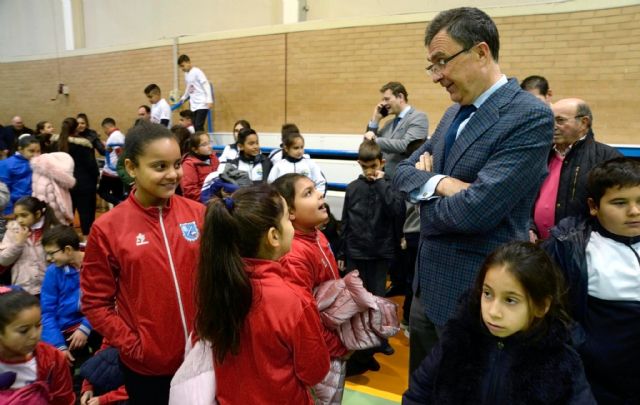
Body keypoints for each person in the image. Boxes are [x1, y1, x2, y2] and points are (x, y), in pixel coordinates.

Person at [392, 7, 554, 376]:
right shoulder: (452, 114)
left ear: (481, 52)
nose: (436, 76)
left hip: (476, 296)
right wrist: (444, 183)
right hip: (425, 290)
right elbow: (400, 173)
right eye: (431, 65)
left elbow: (476, 211)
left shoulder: (528, 115)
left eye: (441, 61)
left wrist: (425, 197)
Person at [81, 121, 205, 404]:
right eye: (159, 166)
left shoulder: (199, 215)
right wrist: (135, 345)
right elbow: (95, 303)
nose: (173, 174)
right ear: (132, 167)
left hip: (201, 359)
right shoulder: (108, 228)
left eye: (176, 164)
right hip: (148, 369)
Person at [403, 242, 596, 404]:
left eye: (510, 300)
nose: (493, 312)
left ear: (541, 306)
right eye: (487, 294)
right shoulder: (458, 340)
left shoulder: (561, 362)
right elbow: (417, 394)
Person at [193, 184, 330, 404]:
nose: (291, 224)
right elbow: (314, 371)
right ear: (274, 236)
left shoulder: (215, 283)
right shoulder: (293, 300)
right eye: (287, 219)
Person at [542, 157, 640, 404]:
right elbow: (550, 310)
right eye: (619, 203)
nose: (634, 211)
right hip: (597, 379)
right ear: (593, 206)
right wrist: (584, 347)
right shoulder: (569, 246)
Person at [273, 174, 349, 362]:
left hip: (333, 335)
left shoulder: (317, 235)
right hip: (322, 349)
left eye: (316, 189)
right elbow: (305, 318)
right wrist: (338, 347)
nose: (319, 195)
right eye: (308, 193)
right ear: (290, 211)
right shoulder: (294, 256)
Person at [531, 98, 622, 240]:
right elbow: (525, 197)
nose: (552, 126)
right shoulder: (541, 154)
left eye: (560, 120)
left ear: (583, 123)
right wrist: (530, 227)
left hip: (583, 248)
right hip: (538, 246)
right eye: (551, 120)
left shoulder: (607, 157)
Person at [40, 225, 102, 384]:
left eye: (51, 253)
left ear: (67, 250)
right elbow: (47, 313)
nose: (48, 259)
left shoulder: (97, 264)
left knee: (102, 364)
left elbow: (105, 301)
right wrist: (59, 345)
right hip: (65, 330)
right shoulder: (53, 272)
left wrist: (85, 327)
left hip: (95, 324)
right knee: (64, 367)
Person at [0, 287, 75, 404]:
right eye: (24, 330)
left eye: (38, 325)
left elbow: (64, 400)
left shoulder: (53, 359)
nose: (34, 335)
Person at [364, 81, 429, 178]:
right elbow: (369, 146)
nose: (383, 103)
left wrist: (375, 140)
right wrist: (375, 120)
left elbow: (406, 146)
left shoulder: (419, 117)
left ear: (400, 97)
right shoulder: (388, 124)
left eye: (387, 99)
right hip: (384, 180)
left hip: (405, 179)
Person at [53, 117, 105, 237]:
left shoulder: (56, 143)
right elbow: (91, 165)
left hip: (64, 184)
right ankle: (87, 240)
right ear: (76, 128)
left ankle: (66, 239)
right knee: (86, 215)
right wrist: (96, 177)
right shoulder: (84, 144)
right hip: (84, 184)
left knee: (66, 214)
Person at [0, 197, 60, 295]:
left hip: (50, 286)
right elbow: (3, 260)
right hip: (23, 287)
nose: (19, 220)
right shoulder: (12, 231)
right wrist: (18, 243)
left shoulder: (53, 230)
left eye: (24, 215)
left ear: (37, 214)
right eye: (16, 216)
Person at [30, 151, 76, 225]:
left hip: (38, 215)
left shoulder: (37, 172)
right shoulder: (57, 183)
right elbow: (62, 205)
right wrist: (68, 217)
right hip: (54, 219)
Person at [0, 134, 41, 215]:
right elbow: (3, 190)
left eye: (38, 151)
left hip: (34, 206)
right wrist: (9, 212)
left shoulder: (40, 162)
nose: (36, 154)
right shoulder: (6, 164)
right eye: (31, 151)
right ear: (20, 149)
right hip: (15, 208)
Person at [177, 54, 214, 132]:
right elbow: (188, 87)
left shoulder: (197, 71)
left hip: (202, 103)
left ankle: (202, 142)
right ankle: (198, 142)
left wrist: (209, 100)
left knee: (198, 125)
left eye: (183, 66)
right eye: (180, 67)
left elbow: (205, 84)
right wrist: (183, 97)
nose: (182, 68)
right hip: (193, 104)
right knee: (194, 125)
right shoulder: (186, 74)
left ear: (188, 62)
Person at [180, 131, 220, 201]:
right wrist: (212, 199)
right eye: (204, 145)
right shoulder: (189, 165)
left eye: (209, 142)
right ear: (195, 150)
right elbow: (190, 191)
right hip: (201, 202)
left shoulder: (213, 158)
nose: (209, 146)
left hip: (216, 198)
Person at [98, 117, 126, 207]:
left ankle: (120, 203)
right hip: (118, 173)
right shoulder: (120, 135)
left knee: (102, 192)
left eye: (104, 130)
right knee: (117, 195)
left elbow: (120, 153)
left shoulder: (114, 137)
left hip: (111, 172)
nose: (104, 132)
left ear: (106, 127)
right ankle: (119, 206)